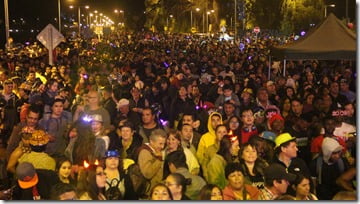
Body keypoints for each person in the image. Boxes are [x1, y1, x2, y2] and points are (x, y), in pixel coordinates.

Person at [137, 129, 167, 196]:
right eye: (160, 144)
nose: (162, 147)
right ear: (151, 141)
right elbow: (147, 173)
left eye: (164, 144)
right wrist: (159, 159)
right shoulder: (144, 152)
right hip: (148, 192)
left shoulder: (157, 152)